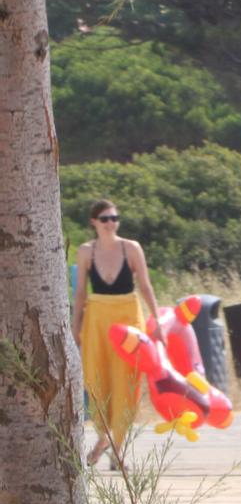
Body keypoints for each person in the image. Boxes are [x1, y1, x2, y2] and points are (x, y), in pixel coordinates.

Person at [72, 199, 164, 468]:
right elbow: (80, 294)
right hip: (98, 317)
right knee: (97, 380)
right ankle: (104, 438)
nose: (111, 223)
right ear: (94, 222)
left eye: (114, 218)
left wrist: (156, 320)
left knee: (128, 383)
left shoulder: (131, 247)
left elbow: (146, 286)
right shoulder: (86, 251)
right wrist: (75, 326)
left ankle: (116, 448)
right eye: (105, 219)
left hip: (128, 315)